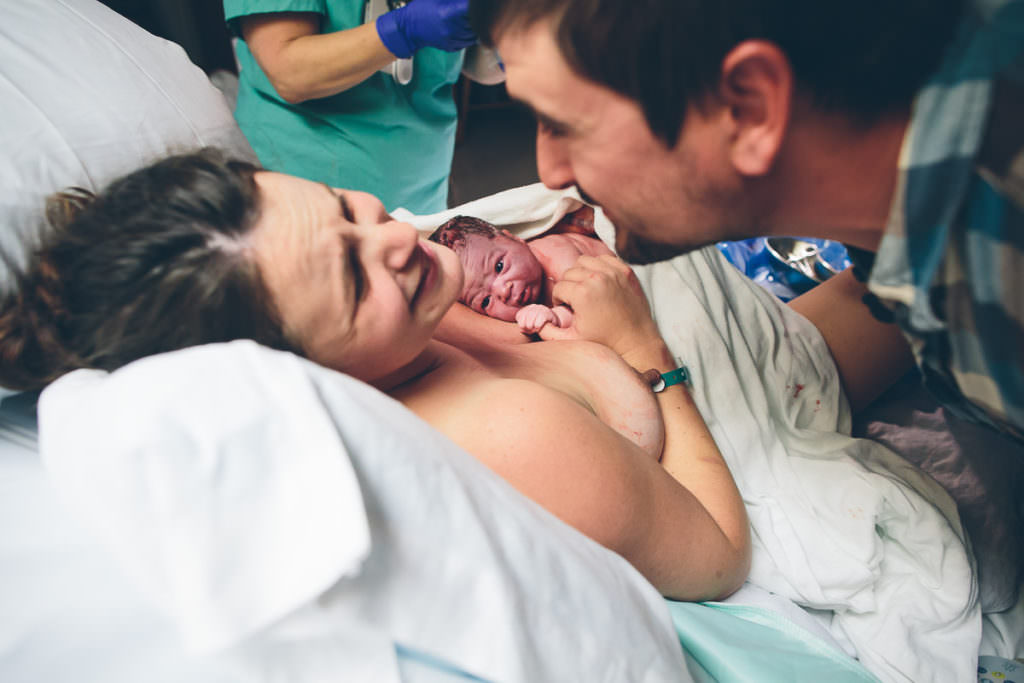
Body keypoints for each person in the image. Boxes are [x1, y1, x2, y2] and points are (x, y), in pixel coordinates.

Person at [0, 150, 750, 602]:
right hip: (723, 462)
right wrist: (646, 347)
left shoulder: (407, 303)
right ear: (302, 377)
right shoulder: (509, 434)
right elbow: (719, 555)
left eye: (342, 207)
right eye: (355, 279)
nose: (393, 232)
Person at [468, 0, 1024, 443]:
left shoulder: (1002, 281)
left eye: (563, 124)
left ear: (750, 108)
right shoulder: (909, 232)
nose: (551, 172)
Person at [224, 0, 475, 214]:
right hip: (309, 189)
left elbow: (469, 60)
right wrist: (402, 31)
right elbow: (288, 71)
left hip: (424, 185)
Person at [428, 212, 612, 333]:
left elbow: (595, 304)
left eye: (499, 267)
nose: (502, 291)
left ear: (513, 238)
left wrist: (557, 317)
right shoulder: (521, 318)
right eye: (485, 301)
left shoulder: (555, 251)